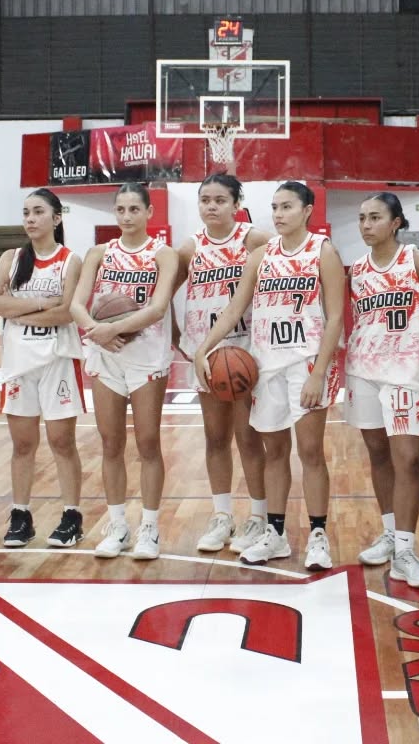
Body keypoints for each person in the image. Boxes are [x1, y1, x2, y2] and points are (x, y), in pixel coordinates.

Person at [195, 182, 345, 571]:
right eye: (275, 207)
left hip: (306, 363)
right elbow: (233, 310)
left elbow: (335, 318)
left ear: (307, 210)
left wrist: (320, 372)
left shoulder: (322, 251)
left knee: (310, 452)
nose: (278, 214)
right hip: (266, 365)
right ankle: (275, 535)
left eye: (287, 207)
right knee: (274, 453)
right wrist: (202, 348)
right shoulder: (260, 256)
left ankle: (318, 536)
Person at [71, 182, 179, 560]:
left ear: (149, 212)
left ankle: (149, 527)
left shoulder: (163, 254)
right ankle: (117, 526)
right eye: (120, 209)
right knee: (110, 443)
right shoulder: (98, 253)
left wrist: (110, 329)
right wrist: (96, 332)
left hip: (146, 355)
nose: (127, 216)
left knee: (148, 442)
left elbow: (158, 308)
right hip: (106, 356)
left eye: (135, 209)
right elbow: (77, 304)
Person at [346, 192, 419, 588]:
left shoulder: (416, 262)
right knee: (378, 455)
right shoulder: (357, 269)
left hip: (406, 373)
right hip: (363, 371)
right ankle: (390, 534)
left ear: (396, 223)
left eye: (375, 217)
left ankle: (405, 551)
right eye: (362, 218)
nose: (366, 224)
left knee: (408, 460)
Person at [172, 173, 270, 553]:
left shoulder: (254, 240)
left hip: (244, 351)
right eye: (205, 200)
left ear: (236, 204)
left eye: (219, 200)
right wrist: (179, 338)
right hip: (207, 355)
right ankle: (222, 515)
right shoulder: (190, 248)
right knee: (215, 437)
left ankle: (259, 516)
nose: (211, 206)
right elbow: (163, 294)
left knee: (248, 437)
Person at [0, 188, 85, 548]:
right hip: (19, 361)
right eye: (26, 212)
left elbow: (67, 312)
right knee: (23, 444)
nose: (30, 218)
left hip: (58, 360)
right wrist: (43, 303)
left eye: (38, 212)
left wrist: (19, 310)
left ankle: (72, 516)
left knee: (62, 442)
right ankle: (21, 516)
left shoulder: (70, 260)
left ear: (56, 218)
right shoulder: (11, 258)